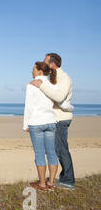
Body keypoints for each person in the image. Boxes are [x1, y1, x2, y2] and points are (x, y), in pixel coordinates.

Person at [30, 53, 75, 190]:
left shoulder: (64, 77)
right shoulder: (53, 78)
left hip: (60, 119)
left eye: (45, 62)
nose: (43, 64)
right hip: (54, 119)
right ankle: (58, 179)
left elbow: (59, 97)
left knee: (61, 150)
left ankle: (68, 180)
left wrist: (41, 85)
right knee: (56, 150)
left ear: (52, 64)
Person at [24, 61, 59, 191]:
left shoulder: (31, 85)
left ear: (39, 71)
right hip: (50, 121)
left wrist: (25, 124)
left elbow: (29, 106)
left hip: (37, 122)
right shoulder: (51, 84)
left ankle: (42, 184)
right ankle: (51, 183)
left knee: (39, 154)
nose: (31, 71)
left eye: (33, 69)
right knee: (51, 153)